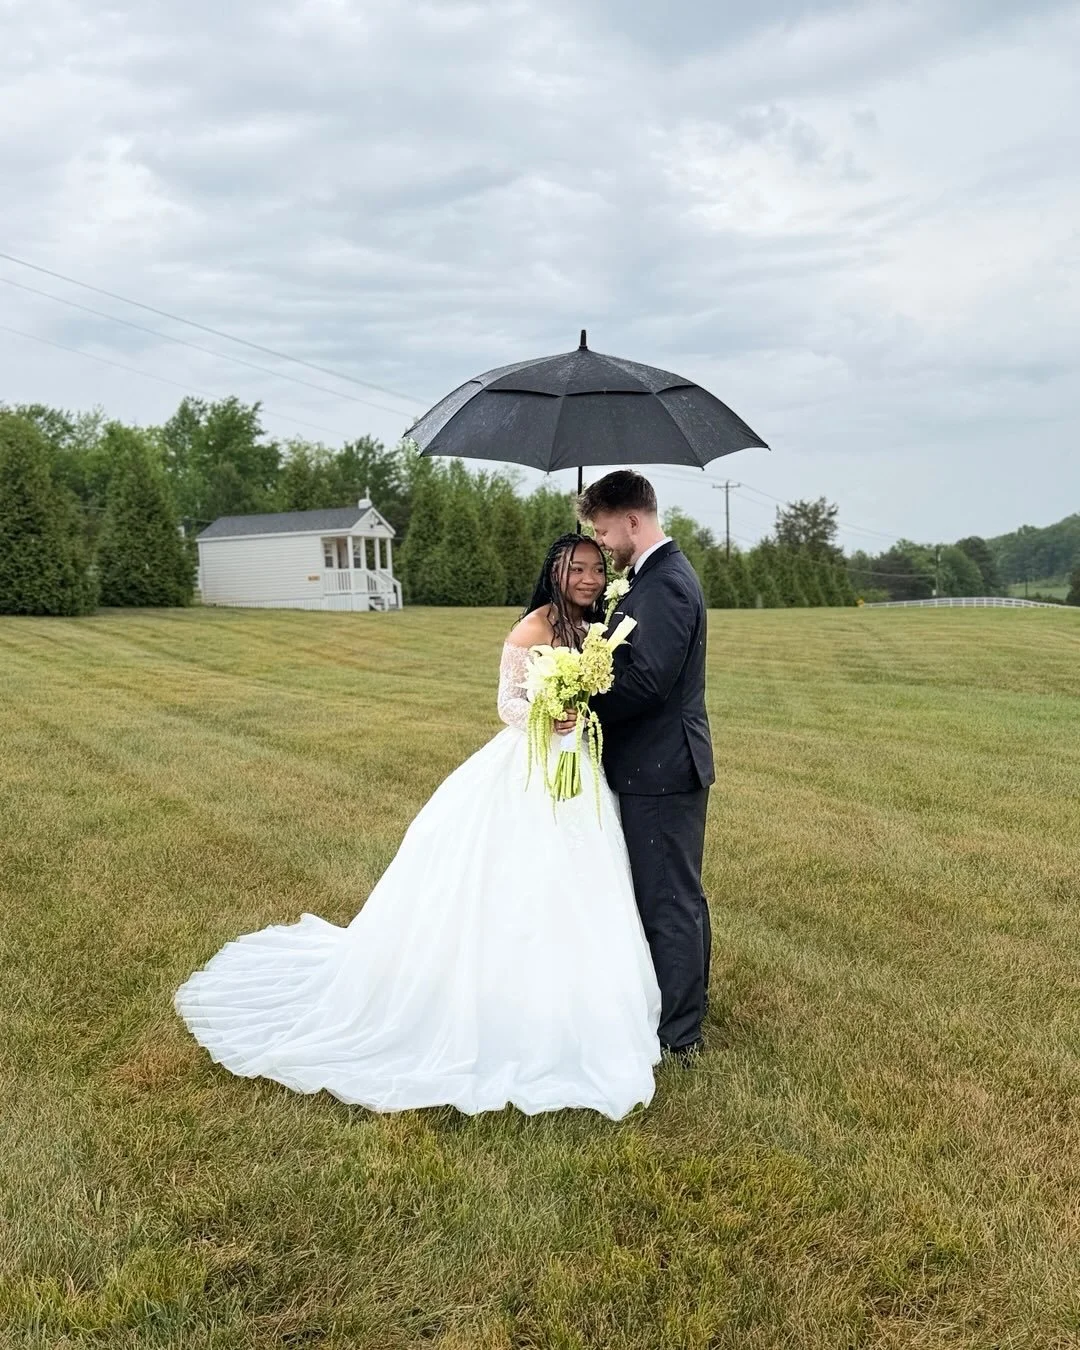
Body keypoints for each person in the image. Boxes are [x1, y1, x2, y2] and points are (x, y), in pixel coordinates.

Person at [174, 533, 662, 1119]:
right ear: (554, 574)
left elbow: (601, 689)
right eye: (575, 569)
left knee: (583, 878)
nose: (586, 578)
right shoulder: (530, 629)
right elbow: (506, 702)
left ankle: (583, 1001)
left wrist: (581, 708)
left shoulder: (592, 634)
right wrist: (545, 712)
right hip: (530, 762)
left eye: (594, 568)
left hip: (577, 768)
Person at [578, 470, 715, 1063]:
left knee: (668, 898)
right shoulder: (649, 580)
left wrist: (580, 699)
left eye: (604, 531)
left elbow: (646, 682)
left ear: (632, 520)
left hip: (661, 766)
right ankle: (681, 1007)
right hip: (655, 763)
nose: (602, 544)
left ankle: (679, 1033)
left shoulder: (666, 585)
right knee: (668, 892)